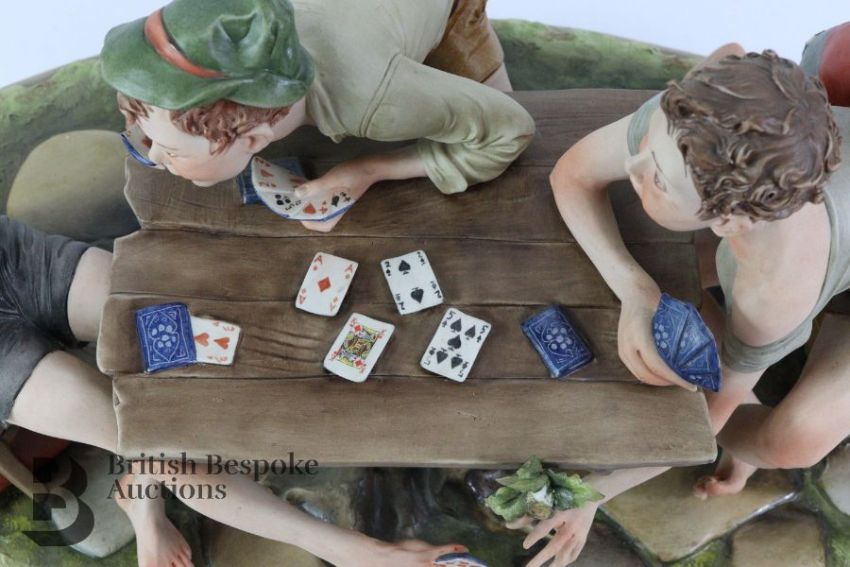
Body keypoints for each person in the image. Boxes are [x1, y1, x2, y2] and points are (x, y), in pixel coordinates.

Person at [512, 46, 847, 567]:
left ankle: (749, 447)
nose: (633, 164)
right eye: (651, 146)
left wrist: (595, 492)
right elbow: (571, 174)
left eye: (659, 181)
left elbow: (708, 412)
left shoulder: (776, 289)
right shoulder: (700, 114)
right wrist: (635, 290)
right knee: (668, 278)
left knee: (794, 442)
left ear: (729, 221)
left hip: (813, 271)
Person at [1, 215, 466, 566]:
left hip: (10, 260)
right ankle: (353, 551)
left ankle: (141, 482)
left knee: (191, 327)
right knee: (161, 443)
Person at [100, 0, 535, 232]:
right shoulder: (233, 24)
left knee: (509, 177)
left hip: (444, 10)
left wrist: (369, 170)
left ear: (252, 140)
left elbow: (510, 132)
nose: (154, 158)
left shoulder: (375, 100)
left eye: (171, 150)